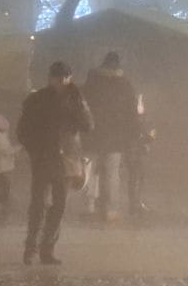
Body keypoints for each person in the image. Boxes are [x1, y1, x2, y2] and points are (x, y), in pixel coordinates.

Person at [18, 61, 92, 265]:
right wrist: (34, 150)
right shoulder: (37, 99)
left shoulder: (76, 99)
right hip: (44, 157)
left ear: (70, 78)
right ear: (50, 78)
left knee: (58, 205)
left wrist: (78, 103)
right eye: (58, 78)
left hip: (66, 158)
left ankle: (46, 249)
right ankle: (31, 248)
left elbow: (87, 125)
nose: (61, 82)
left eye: (65, 78)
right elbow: (23, 130)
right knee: (39, 204)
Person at [82, 51, 138, 222]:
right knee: (112, 173)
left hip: (94, 134)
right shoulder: (125, 84)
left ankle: (90, 206)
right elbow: (132, 112)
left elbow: (83, 104)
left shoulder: (93, 82)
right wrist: (132, 135)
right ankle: (111, 210)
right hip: (116, 136)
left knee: (90, 171)